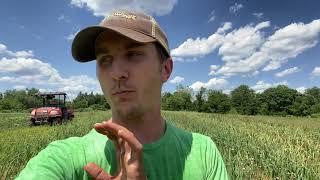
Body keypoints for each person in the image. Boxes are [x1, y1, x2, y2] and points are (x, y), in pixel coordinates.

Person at [16, 10, 228, 180]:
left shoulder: (203, 152)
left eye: (133, 54)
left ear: (165, 69)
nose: (117, 73)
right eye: (105, 59)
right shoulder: (62, 157)